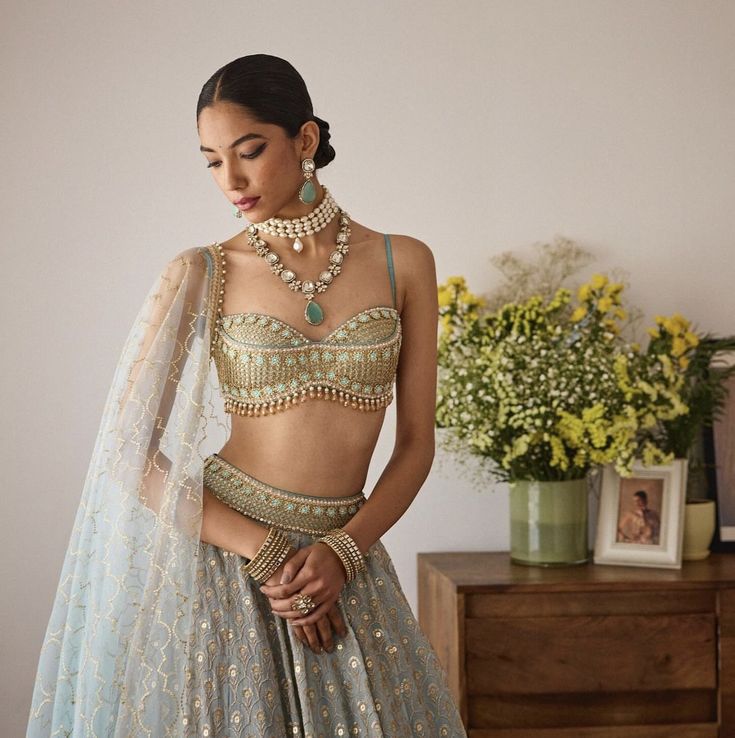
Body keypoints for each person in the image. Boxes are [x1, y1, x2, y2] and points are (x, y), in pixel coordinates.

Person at [26, 53, 468, 737]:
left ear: (306, 140)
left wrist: (343, 552)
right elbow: (126, 452)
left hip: (344, 559)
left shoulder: (403, 261)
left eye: (249, 151)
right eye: (210, 161)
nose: (229, 180)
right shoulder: (200, 272)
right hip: (232, 555)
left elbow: (414, 446)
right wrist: (267, 555)